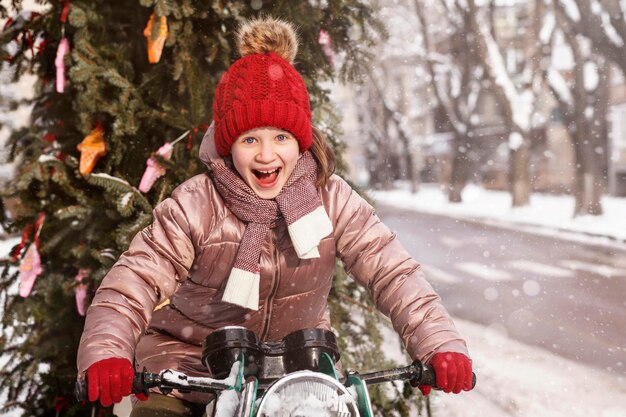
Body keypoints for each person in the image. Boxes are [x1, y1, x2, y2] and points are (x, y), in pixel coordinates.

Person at [77, 16, 473, 416]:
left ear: (300, 142)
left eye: (281, 137)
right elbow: (133, 282)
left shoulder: (331, 199)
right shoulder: (197, 204)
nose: (267, 155)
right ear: (229, 145)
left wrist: (440, 344)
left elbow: (393, 273)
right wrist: (108, 354)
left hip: (294, 380)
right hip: (186, 372)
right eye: (250, 139)